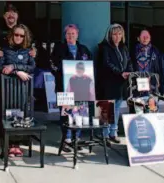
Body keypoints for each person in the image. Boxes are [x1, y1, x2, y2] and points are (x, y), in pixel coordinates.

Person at [0, 24, 35, 157]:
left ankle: (16, 144)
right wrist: (17, 72)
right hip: (7, 89)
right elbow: (1, 67)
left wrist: (14, 67)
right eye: (16, 34)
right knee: (7, 114)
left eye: (21, 35)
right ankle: (7, 144)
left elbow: (32, 67)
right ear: (12, 35)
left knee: (20, 115)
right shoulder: (4, 49)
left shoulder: (28, 51)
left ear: (25, 37)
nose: (18, 37)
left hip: (22, 90)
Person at [51, 24, 92, 153]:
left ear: (77, 34)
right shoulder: (59, 48)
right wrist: (60, 73)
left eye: (73, 34)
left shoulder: (84, 49)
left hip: (81, 88)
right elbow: (52, 64)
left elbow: (90, 66)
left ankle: (77, 139)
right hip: (65, 87)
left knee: (79, 112)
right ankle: (66, 140)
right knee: (66, 113)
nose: (70, 36)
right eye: (68, 34)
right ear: (65, 35)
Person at [98, 23, 133, 144]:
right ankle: (105, 134)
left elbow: (128, 61)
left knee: (117, 109)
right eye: (114, 34)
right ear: (110, 35)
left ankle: (113, 132)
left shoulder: (124, 48)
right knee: (107, 109)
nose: (117, 36)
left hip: (121, 83)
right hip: (109, 83)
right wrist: (120, 73)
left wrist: (129, 71)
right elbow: (107, 64)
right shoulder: (104, 48)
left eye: (119, 34)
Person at [132, 29, 164, 95]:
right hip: (137, 84)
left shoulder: (156, 51)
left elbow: (161, 69)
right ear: (138, 38)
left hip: (152, 84)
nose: (145, 38)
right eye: (143, 37)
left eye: (147, 37)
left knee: (151, 104)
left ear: (150, 38)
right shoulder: (132, 51)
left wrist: (162, 87)